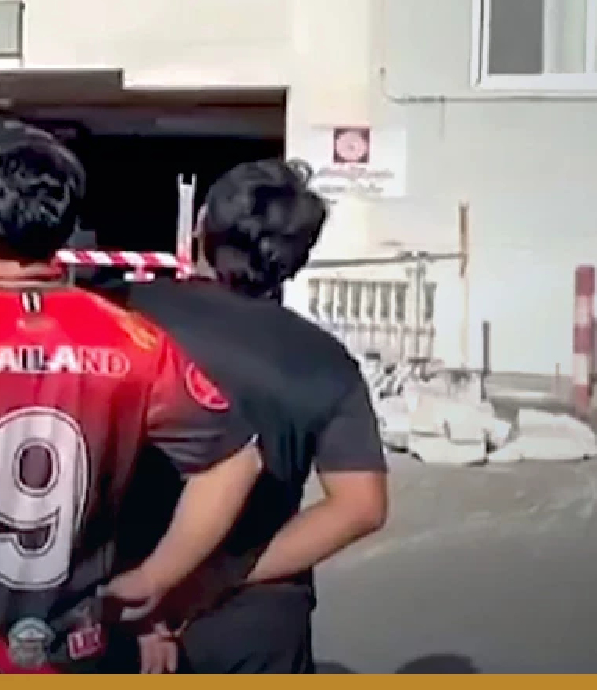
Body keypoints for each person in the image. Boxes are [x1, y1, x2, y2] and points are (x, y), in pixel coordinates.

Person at [0, 123, 264, 675]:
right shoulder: (133, 340)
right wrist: (158, 576)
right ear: (68, 226)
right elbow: (237, 461)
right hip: (74, 647)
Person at [110, 159, 390, 674]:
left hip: (117, 601)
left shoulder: (120, 315)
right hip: (256, 619)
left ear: (200, 230)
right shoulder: (325, 360)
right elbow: (361, 506)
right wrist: (222, 576)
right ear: (297, 260)